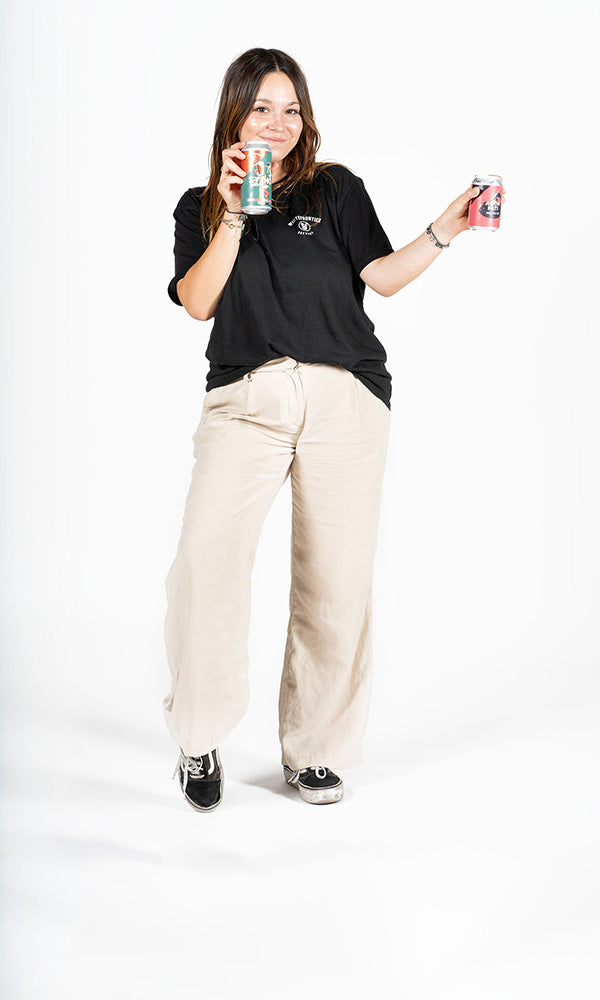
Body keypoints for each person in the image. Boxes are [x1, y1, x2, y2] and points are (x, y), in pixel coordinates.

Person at [162, 47, 506, 811]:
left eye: (291, 108)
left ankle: (315, 750)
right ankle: (198, 737)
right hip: (246, 399)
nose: (278, 123)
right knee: (204, 566)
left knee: (335, 582)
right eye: (261, 108)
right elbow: (197, 303)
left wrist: (445, 229)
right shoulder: (201, 204)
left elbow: (380, 276)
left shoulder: (336, 188)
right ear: (234, 114)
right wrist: (233, 219)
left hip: (345, 396)